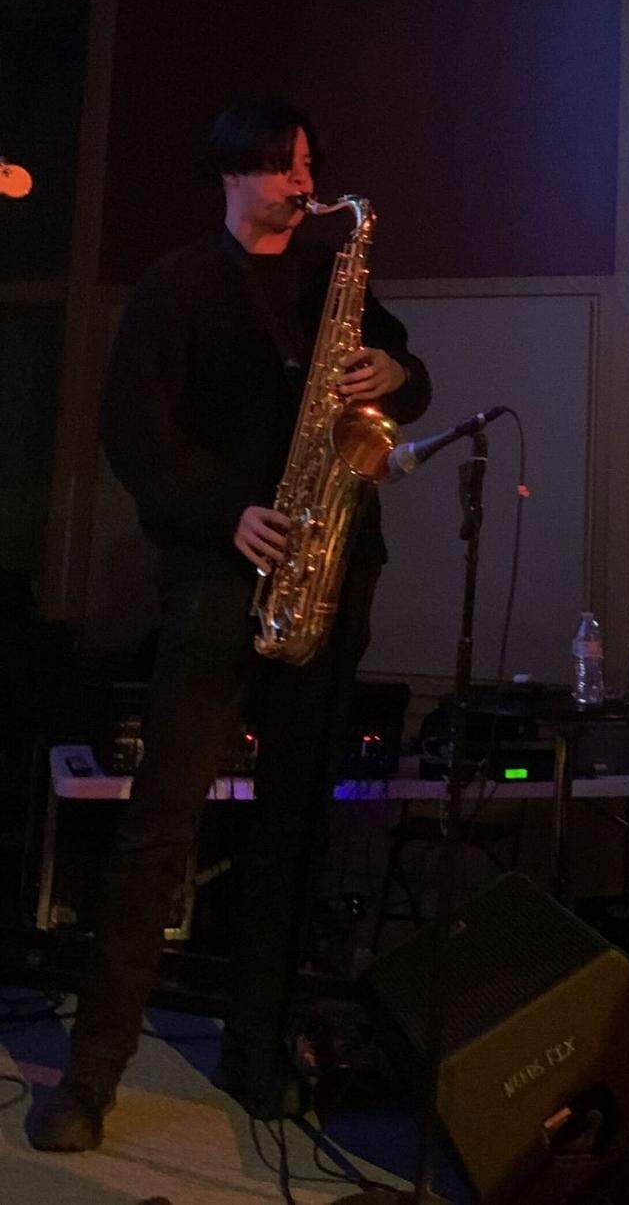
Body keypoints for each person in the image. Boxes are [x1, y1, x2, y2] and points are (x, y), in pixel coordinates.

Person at [29, 99, 431, 1153]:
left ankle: (256, 1050)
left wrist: (395, 375)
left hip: (327, 583)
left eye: (309, 167)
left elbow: (406, 379)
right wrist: (227, 512)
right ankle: (93, 1072)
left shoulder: (331, 278)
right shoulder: (176, 288)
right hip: (218, 582)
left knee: (295, 829)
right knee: (161, 827)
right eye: (284, 169)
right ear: (233, 174)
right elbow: (134, 438)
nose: (305, 186)